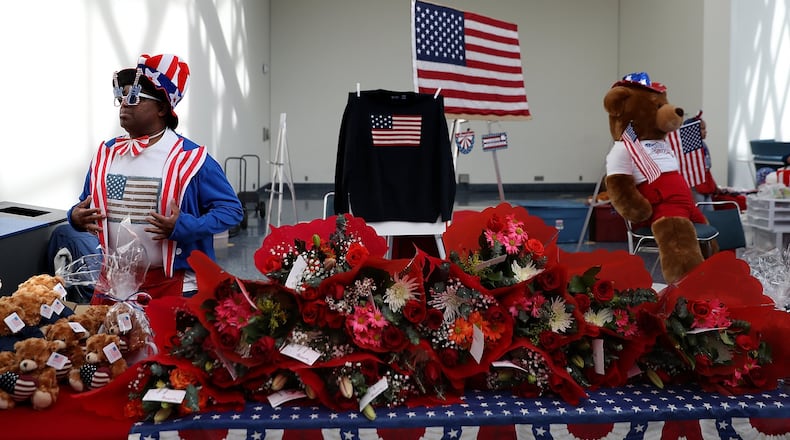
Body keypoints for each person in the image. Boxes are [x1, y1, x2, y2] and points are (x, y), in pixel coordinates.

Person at [68, 53, 243, 302]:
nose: (125, 104)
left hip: (171, 285)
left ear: (162, 108)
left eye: (134, 98)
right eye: (122, 98)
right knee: (106, 342)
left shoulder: (191, 159)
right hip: (114, 283)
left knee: (162, 342)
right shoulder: (106, 154)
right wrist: (75, 216)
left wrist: (185, 226)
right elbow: (85, 203)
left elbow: (232, 210)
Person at [684, 112, 718, 210]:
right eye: (702, 129)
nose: (706, 131)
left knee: (710, 212)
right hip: (695, 186)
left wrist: (714, 185)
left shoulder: (704, 145)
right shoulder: (688, 148)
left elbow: (707, 168)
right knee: (698, 211)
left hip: (706, 184)